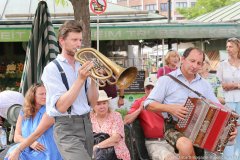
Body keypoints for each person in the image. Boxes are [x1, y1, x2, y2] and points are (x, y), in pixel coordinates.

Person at [144, 47, 237, 160]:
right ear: (183, 59)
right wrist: (170, 108)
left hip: (200, 128)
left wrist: (230, 125)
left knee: (221, 147)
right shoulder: (166, 80)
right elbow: (148, 104)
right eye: (192, 61)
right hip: (174, 127)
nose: (195, 66)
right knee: (186, 145)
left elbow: (219, 107)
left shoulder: (205, 84)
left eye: (199, 63)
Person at [41, 20, 98, 160]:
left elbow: (93, 102)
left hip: (86, 123)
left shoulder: (83, 65)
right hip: (66, 126)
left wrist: (94, 80)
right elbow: (61, 106)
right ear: (62, 41)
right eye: (74, 40)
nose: (78, 44)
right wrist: (80, 79)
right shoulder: (52, 69)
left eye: (80, 40)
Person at [124, 76, 178, 160]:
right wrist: (139, 109)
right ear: (144, 90)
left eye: (153, 88)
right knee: (169, 158)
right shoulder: (139, 102)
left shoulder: (167, 100)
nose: (150, 91)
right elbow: (126, 120)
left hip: (171, 140)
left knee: (187, 153)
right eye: (147, 88)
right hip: (153, 143)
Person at [4, 83, 62, 160]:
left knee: (16, 155)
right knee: (11, 154)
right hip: (27, 148)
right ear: (33, 96)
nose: (45, 96)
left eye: (46, 93)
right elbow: (16, 137)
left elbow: (36, 134)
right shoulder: (23, 112)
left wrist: (20, 149)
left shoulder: (49, 112)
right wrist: (30, 143)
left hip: (45, 151)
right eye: (41, 94)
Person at [216, 37, 240, 160]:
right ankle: (228, 158)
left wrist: (229, 86)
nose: (228, 49)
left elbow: (226, 85)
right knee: (228, 130)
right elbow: (219, 85)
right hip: (227, 101)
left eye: (231, 46)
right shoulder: (222, 64)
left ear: (238, 47)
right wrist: (237, 85)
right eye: (227, 47)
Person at [90, 90, 130, 160]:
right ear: (93, 105)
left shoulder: (116, 116)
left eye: (104, 103)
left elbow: (116, 138)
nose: (102, 106)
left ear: (108, 104)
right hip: (96, 156)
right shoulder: (90, 117)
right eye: (98, 104)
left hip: (117, 155)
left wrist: (97, 147)